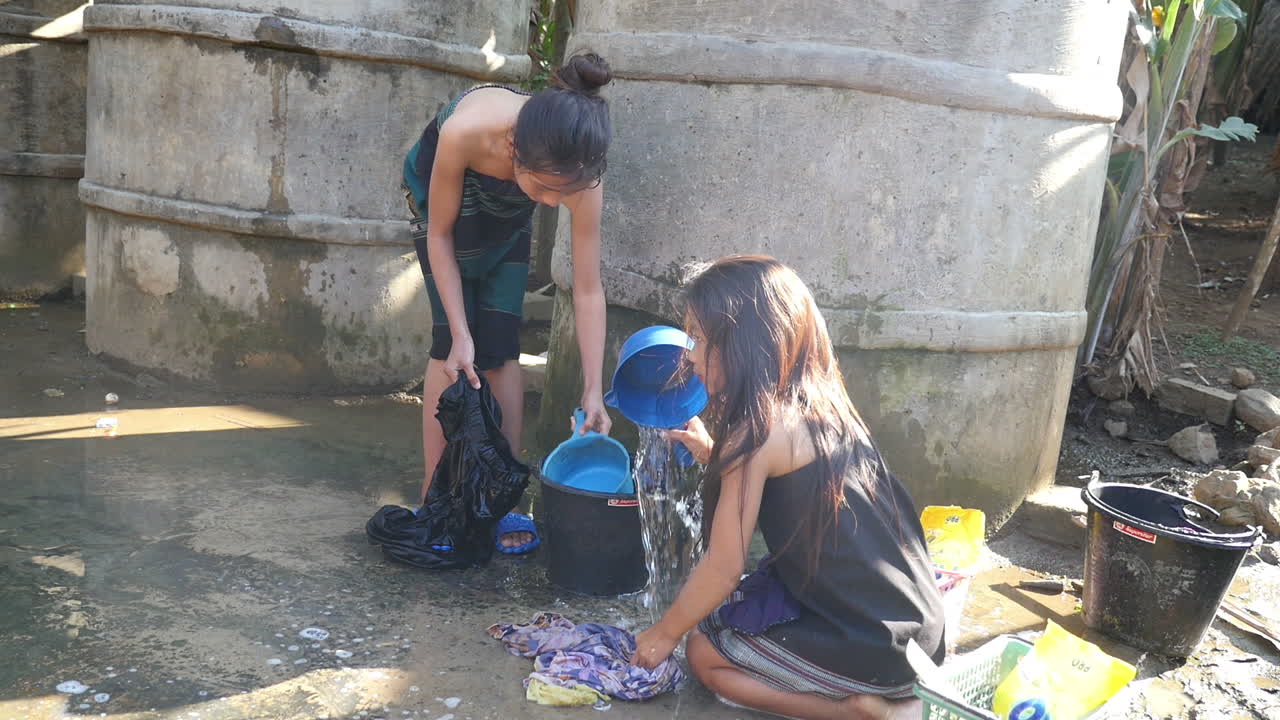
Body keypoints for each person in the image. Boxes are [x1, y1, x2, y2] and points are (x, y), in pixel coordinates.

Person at [631, 256, 946, 720]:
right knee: (729, 607)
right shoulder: (826, 408)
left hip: (876, 651)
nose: (688, 354)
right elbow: (783, 471)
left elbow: (722, 568)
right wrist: (712, 451)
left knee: (703, 650)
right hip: (921, 632)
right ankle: (885, 696)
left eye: (697, 337)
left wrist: (663, 634)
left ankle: (863, 711)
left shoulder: (753, 436)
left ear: (743, 346)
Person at [402, 54, 614, 552]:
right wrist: (459, 332)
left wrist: (592, 391)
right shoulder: (468, 130)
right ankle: (437, 496)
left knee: (500, 343)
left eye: (560, 194)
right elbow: (440, 234)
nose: (549, 203)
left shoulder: (577, 179)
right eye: (543, 187)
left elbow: (587, 288)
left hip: (504, 210)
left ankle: (504, 499)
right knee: (451, 348)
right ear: (514, 146)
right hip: (440, 199)